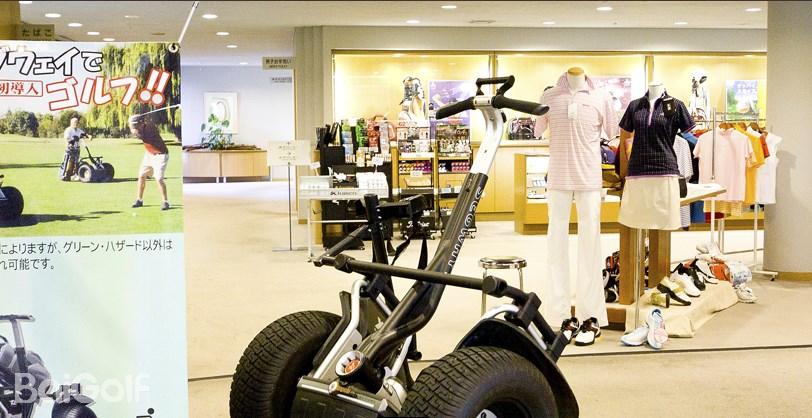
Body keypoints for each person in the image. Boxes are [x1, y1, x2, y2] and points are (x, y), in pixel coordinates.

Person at [128, 115, 170, 210]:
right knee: (141, 176)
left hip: (161, 155)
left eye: (135, 126)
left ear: (141, 124)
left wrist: (133, 126)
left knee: (159, 178)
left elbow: (139, 135)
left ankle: (165, 202)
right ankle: (139, 200)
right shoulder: (142, 126)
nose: (134, 128)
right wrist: (136, 119)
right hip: (149, 154)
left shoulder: (149, 129)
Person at [60, 117, 91, 181]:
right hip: (70, 149)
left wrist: (89, 136)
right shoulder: (68, 130)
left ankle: (73, 175)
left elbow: (84, 135)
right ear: (71, 123)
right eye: (75, 122)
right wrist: (72, 140)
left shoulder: (79, 130)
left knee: (76, 163)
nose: (76, 124)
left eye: (77, 122)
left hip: (77, 149)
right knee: (67, 162)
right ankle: (62, 175)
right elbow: (67, 139)